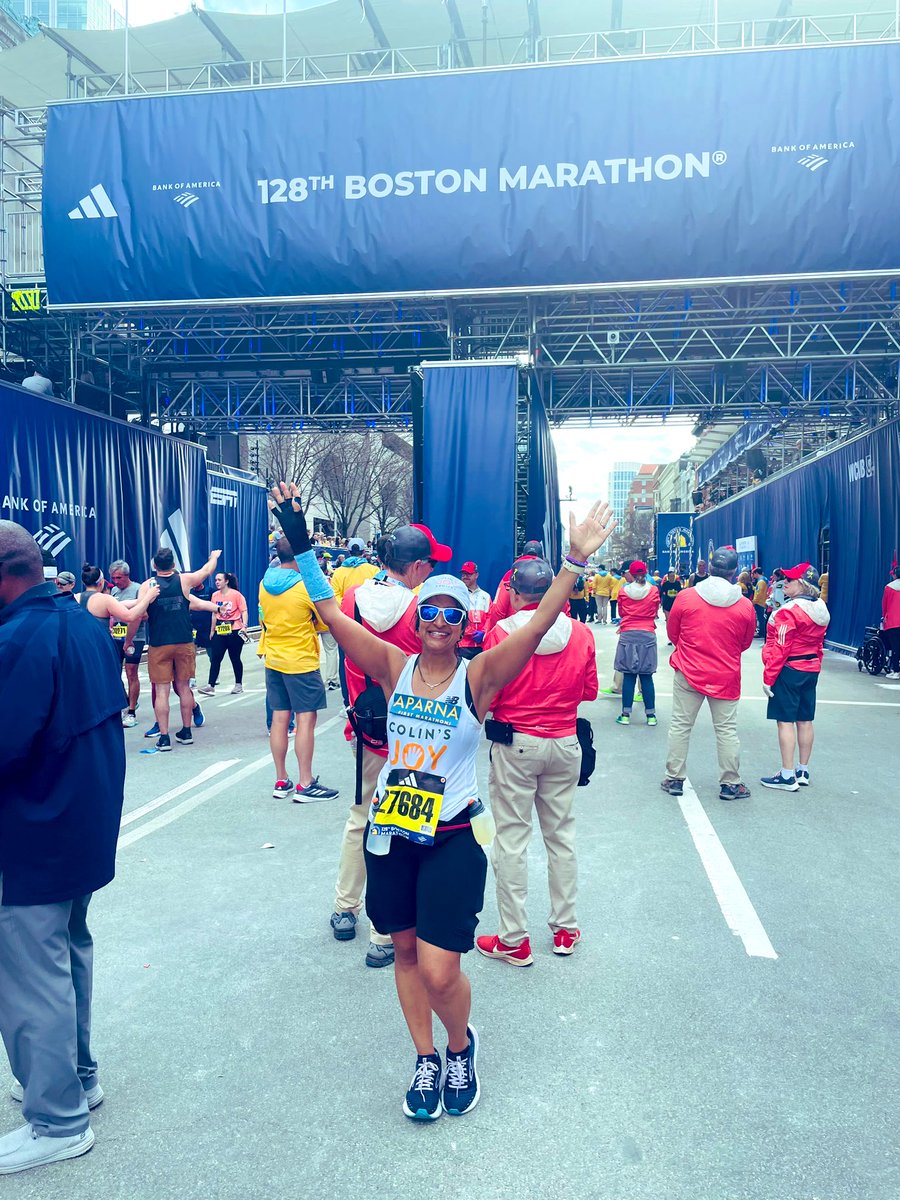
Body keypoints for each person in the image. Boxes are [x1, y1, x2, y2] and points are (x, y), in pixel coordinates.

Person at [269, 482, 614, 1121]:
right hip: (392, 837)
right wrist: (301, 547)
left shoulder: (478, 676)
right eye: (430, 610)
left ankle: (461, 1045)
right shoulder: (392, 666)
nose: (438, 622)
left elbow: (540, 623)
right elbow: (329, 614)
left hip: (453, 836)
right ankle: (426, 1059)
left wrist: (574, 563)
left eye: (453, 614)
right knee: (403, 952)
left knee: (439, 970)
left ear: (466, 625)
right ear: (417, 614)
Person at [0, 522, 131, 1174]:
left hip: (34, 832)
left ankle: (56, 1120)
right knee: (67, 949)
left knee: (29, 973)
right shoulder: (79, 621)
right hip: (84, 823)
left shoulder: (19, 640)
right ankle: (77, 1075)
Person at [333, 523, 452, 968]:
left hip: (363, 729)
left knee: (361, 817)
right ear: (417, 566)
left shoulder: (350, 598)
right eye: (430, 564)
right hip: (410, 737)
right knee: (400, 828)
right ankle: (385, 933)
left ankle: (346, 908)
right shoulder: (421, 610)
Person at [476, 558, 598, 965]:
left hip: (516, 742)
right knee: (561, 837)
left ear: (513, 593)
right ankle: (565, 928)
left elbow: (487, 692)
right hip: (564, 740)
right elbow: (590, 690)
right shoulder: (581, 633)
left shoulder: (500, 634)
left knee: (512, 839)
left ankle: (514, 939)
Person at [660, 547, 756, 801]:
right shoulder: (745, 605)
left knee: (681, 725)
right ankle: (730, 783)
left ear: (709, 567)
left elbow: (673, 633)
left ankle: (674, 778)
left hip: (689, 668)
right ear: (735, 572)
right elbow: (745, 643)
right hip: (725, 674)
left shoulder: (686, 597)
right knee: (726, 730)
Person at [259, 537, 337, 800]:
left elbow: (263, 618)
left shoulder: (264, 583)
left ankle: (281, 780)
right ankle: (306, 782)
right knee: (305, 720)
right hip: (301, 660)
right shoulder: (306, 587)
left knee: (280, 719)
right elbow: (327, 621)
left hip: (274, 659)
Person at [138, 545, 221, 752]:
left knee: (162, 692)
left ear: (154, 565)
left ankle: (164, 737)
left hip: (159, 643)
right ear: (174, 565)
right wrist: (213, 557)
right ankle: (186, 731)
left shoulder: (147, 586)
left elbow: (140, 612)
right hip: (183, 641)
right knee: (184, 687)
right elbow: (206, 571)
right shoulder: (183, 580)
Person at [760, 564, 830, 791]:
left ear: (802, 583)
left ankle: (787, 775)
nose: (785, 583)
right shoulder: (821, 608)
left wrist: (768, 677)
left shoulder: (788, 611)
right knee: (805, 719)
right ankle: (802, 770)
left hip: (789, 669)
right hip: (811, 667)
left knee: (785, 721)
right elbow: (819, 644)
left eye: (790, 580)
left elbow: (781, 646)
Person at [614, 561, 660, 726]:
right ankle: (651, 716)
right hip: (647, 633)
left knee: (629, 675)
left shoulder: (623, 591)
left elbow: (621, 612)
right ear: (646, 572)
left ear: (631, 574)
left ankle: (625, 715)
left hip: (628, 633)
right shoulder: (654, 590)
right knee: (646, 677)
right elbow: (655, 610)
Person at [109, 559, 151, 726]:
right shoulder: (113, 592)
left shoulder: (138, 589)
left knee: (131, 672)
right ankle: (127, 701)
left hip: (135, 638)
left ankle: (131, 712)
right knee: (113, 672)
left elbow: (146, 615)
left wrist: (128, 612)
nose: (116, 581)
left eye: (119, 578)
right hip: (116, 637)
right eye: (113, 578)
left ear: (127, 576)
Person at [198, 571, 248, 696]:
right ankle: (211, 685)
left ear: (226, 581)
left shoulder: (236, 595)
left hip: (235, 629)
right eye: (215, 580)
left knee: (235, 657)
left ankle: (238, 684)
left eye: (219, 580)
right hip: (220, 629)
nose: (217, 582)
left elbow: (244, 611)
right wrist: (212, 630)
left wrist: (244, 627)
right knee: (215, 657)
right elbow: (214, 613)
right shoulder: (215, 595)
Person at [485, 539, 543, 630]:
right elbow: (564, 610)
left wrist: (491, 633)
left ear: (522, 555)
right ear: (542, 557)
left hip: (514, 634)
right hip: (544, 632)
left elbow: (498, 611)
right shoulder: (550, 577)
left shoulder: (511, 575)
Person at [458, 560, 491, 659]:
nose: (465, 576)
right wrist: (470, 632)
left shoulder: (485, 596)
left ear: (476, 575)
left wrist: (484, 633)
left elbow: (491, 617)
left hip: (481, 646)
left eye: (468, 574)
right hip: (463, 645)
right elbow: (457, 618)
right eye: (463, 574)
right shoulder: (458, 595)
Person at [883, 565, 900, 679]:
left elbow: (885, 605)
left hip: (894, 621)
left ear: (894, 574)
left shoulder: (889, 588)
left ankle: (896, 671)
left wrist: (885, 617)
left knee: (895, 647)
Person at [659, 568, 683, 643]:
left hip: (676, 605)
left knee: (676, 621)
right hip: (667, 605)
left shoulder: (677, 584)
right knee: (668, 621)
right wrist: (660, 602)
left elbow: (681, 593)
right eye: (671, 576)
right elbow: (661, 593)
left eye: (673, 576)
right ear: (668, 577)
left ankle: (676, 635)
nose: (672, 578)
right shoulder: (665, 584)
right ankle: (669, 637)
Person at [751, 567, 769, 638]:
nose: (752, 575)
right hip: (763, 601)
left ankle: (761, 632)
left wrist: (754, 602)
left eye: (753, 574)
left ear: (756, 573)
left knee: (761, 619)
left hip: (760, 602)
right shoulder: (764, 580)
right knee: (762, 618)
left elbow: (759, 593)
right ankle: (762, 632)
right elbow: (758, 590)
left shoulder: (761, 581)